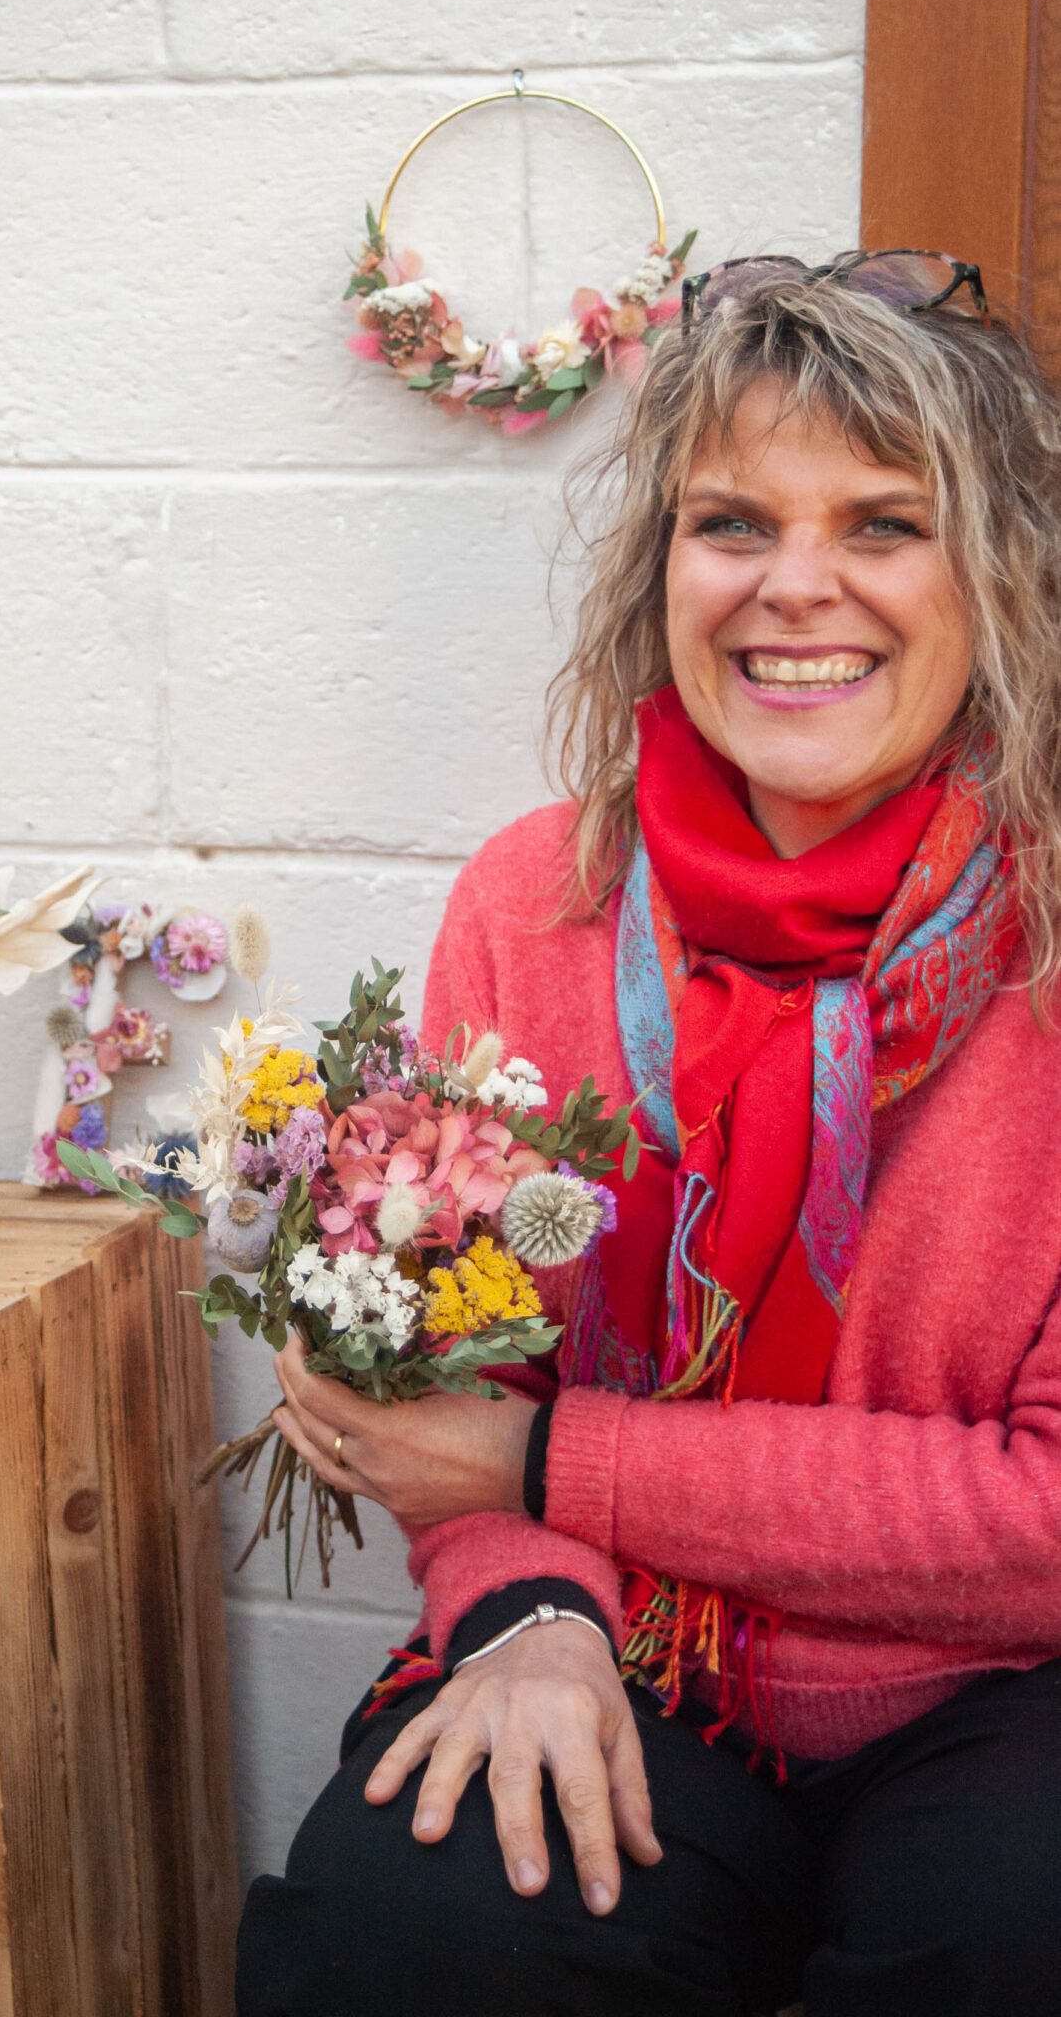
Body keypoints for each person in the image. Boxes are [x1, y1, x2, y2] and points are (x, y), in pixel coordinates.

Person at [237, 254, 1061, 2017]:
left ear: (999, 583)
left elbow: (1046, 1516)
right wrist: (527, 1604)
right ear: (661, 570)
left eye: (886, 525)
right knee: (422, 1926)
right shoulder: (534, 903)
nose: (796, 588)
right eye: (732, 522)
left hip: (1006, 1690)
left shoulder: (1053, 946)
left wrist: (546, 1473)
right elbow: (450, 1395)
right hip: (622, 1647)